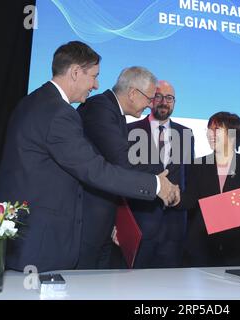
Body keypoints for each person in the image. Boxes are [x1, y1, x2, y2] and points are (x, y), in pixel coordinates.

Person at [0, 41, 178, 272]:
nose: (96, 84)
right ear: (74, 72)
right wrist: (155, 184)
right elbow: (94, 169)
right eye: (94, 76)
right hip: (40, 238)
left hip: (27, 231)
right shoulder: (58, 113)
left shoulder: (34, 101)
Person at [76, 66, 161, 269]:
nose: (151, 106)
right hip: (87, 222)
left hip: (103, 222)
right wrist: (158, 181)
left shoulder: (115, 113)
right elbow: (121, 162)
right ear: (132, 93)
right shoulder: (100, 107)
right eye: (149, 99)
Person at [179, 112, 240, 267]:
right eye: (209, 129)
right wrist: (173, 196)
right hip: (202, 249)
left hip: (239, 251)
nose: (210, 134)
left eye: (216, 129)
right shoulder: (197, 164)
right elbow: (189, 201)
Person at [126, 80, 194, 268]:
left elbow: (187, 178)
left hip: (174, 230)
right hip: (140, 227)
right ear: (150, 100)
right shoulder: (130, 131)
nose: (164, 101)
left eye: (169, 98)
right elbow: (122, 179)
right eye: (159, 96)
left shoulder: (186, 134)